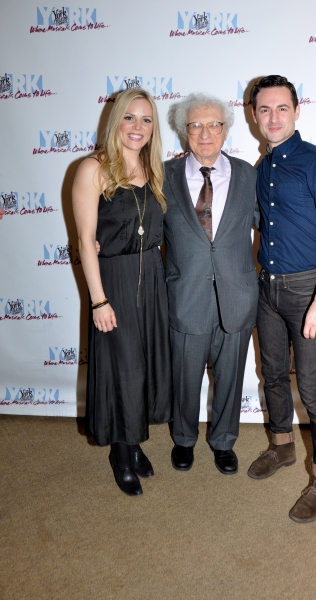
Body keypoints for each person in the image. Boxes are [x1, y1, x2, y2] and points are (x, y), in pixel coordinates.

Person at [248, 75, 316, 522]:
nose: (273, 118)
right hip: (266, 288)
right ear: (255, 116)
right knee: (272, 374)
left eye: (282, 109)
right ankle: (282, 446)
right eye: (265, 110)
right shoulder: (261, 168)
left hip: (307, 289)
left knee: (312, 389)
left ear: (297, 111)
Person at [72, 89, 172, 497]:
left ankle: (135, 441)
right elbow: (84, 239)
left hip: (152, 278)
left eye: (146, 120)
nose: (138, 127)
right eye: (129, 118)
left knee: (146, 365)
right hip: (113, 278)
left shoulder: (154, 168)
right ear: (116, 122)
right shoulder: (92, 168)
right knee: (124, 368)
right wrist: (98, 299)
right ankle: (122, 452)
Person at [164, 93, 259, 475]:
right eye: (196, 125)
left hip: (237, 295)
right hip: (185, 295)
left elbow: (268, 223)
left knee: (231, 377)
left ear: (226, 129)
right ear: (184, 131)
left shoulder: (248, 174)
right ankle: (183, 439)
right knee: (184, 376)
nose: (206, 133)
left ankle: (223, 442)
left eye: (214, 124)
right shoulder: (164, 176)